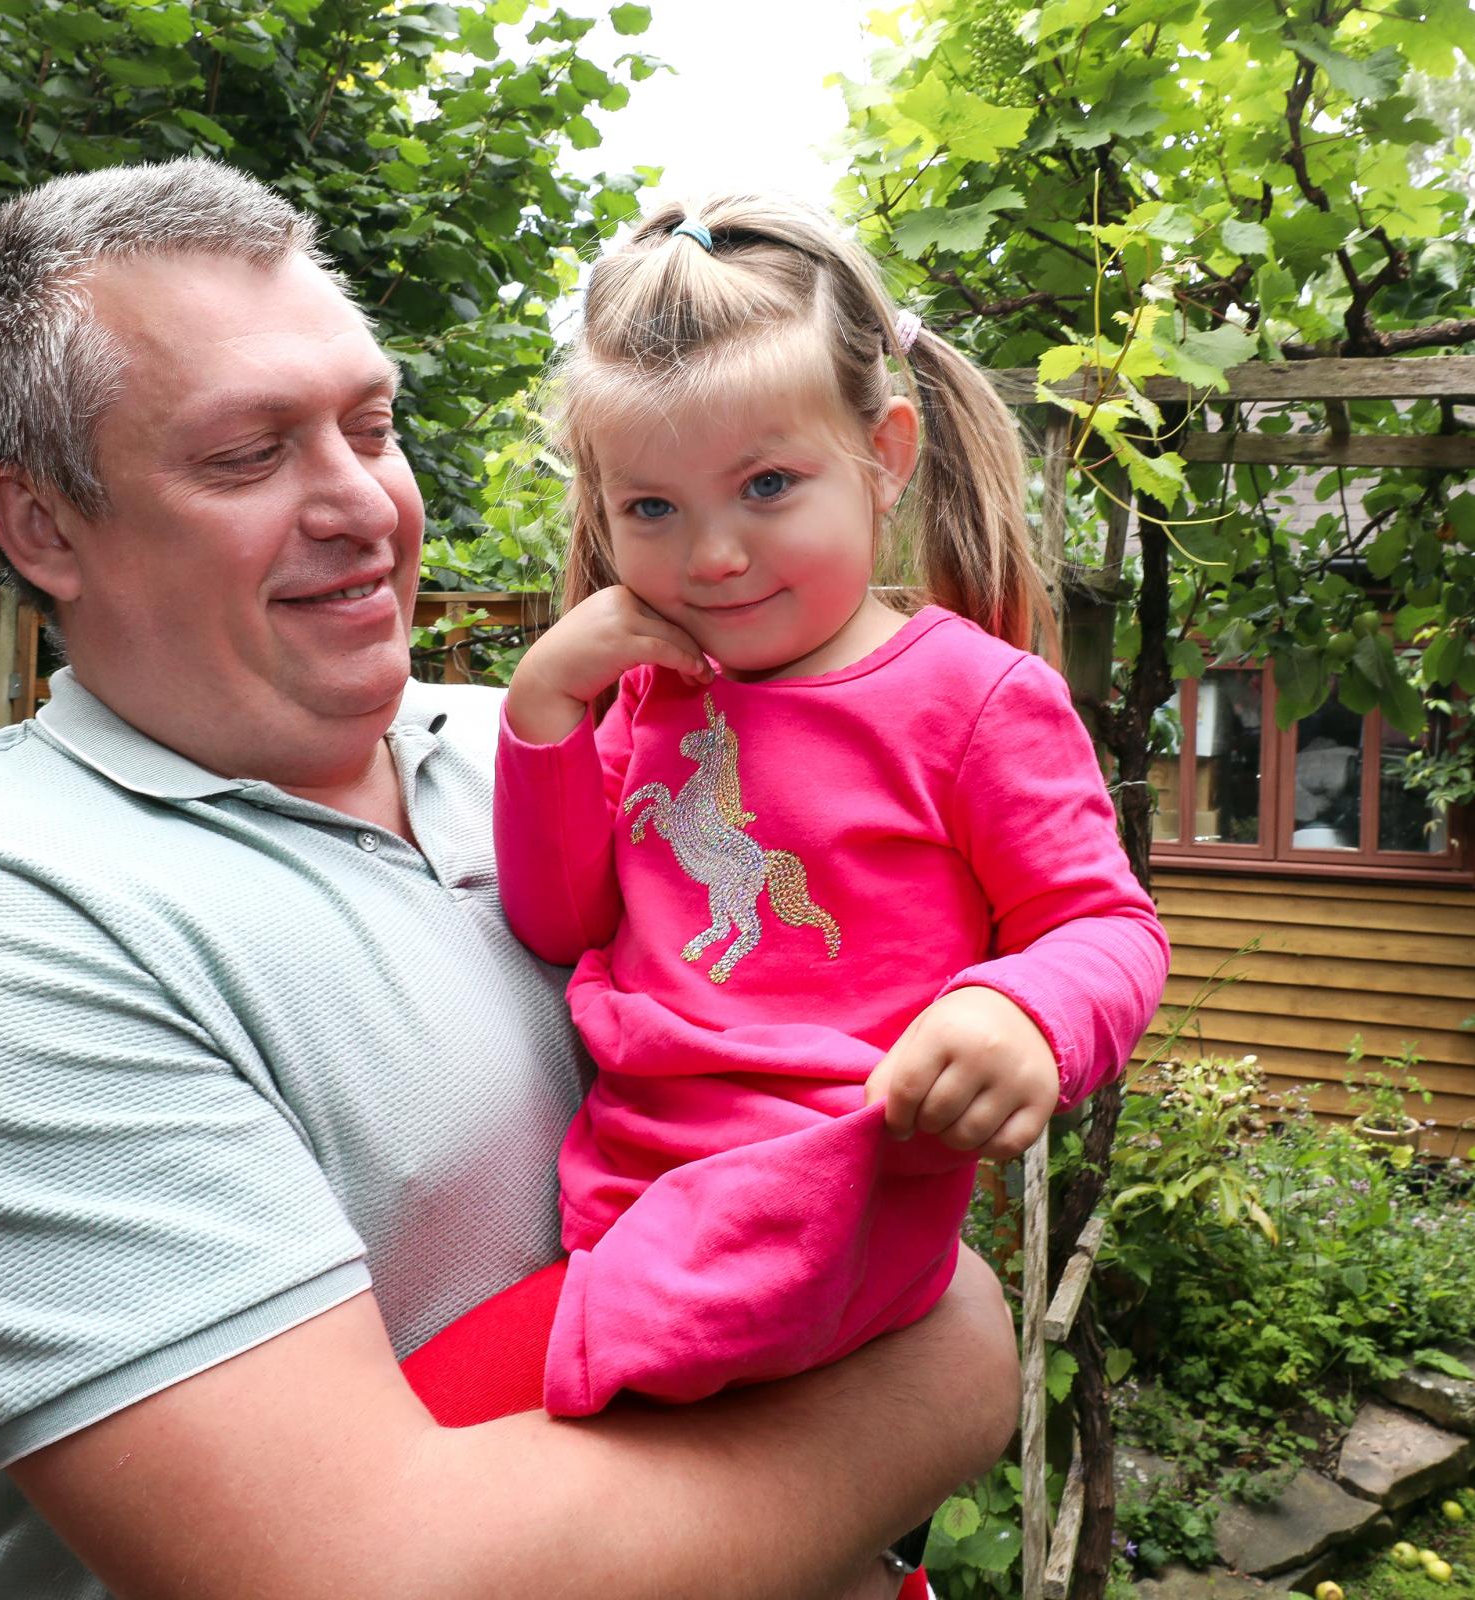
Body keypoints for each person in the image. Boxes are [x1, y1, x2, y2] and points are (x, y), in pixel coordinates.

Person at [0, 156, 1021, 1600]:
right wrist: (946, 1368)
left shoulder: (566, 748)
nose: (364, 507)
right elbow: (366, 1577)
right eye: (249, 456)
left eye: (371, 426)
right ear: (42, 526)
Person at [472, 195, 1169, 1418]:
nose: (714, 556)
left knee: (475, 1425)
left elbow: (1109, 929)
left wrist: (1024, 1013)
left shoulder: (973, 697)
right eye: (653, 508)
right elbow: (560, 920)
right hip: (629, 1188)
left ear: (885, 455)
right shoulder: (650, 691)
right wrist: (544, 712)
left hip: (825, 1182)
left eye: (768, 485)